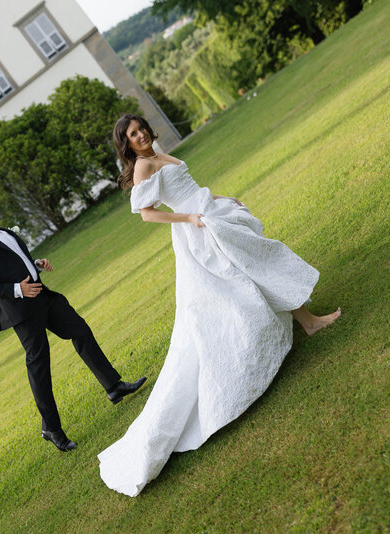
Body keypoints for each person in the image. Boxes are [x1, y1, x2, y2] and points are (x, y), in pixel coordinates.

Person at [98, 114, 341, 496]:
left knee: (260, 266)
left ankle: (307, 321)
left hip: (211, 214)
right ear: (126, 143)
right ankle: (303, 324)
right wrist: (190, 217)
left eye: (141, 128)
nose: (141, 134)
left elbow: (190, 187)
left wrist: (221, 199)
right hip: (199, 229)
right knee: (254, 272)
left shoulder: (160, 153)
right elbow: (148, 213)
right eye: (133, 134)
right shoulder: (143, 165)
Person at [0, 195, 147, 452]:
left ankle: (113, 386)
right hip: (23, 310)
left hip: (43, 296)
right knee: (40, 366)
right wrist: (18, 289)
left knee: (80, 330)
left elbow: (10, 263)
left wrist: (35, 266)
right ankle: (52, 429)